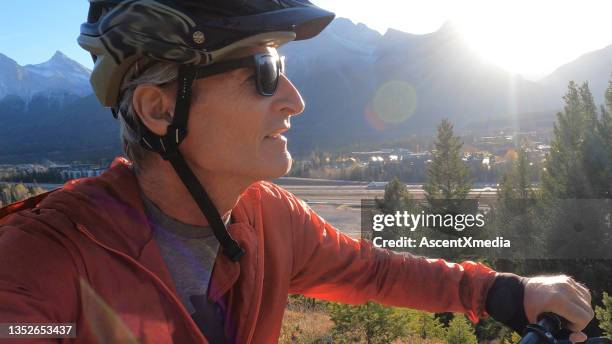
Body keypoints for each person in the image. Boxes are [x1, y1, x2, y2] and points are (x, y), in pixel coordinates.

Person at [0, 0, 594, 343]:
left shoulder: (266, 217)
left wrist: (502, 291)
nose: (294, 98)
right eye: (262, 70)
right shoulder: (44, 256)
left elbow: (375, 271)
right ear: (161, 110)